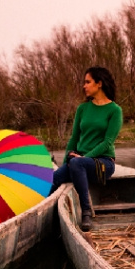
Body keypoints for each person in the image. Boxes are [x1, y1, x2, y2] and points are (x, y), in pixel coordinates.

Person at [51, 66, 122, 231]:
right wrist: (65, 163)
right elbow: (74, 139)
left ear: (99, 84)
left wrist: (83, 158)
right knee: (51, 181)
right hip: (79, 161)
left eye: (87, 82)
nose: (84, 86)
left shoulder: (115, 111)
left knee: (77, 164)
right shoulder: (82, 109)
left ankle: (86, 212)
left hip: (103, 163)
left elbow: (107, 142)